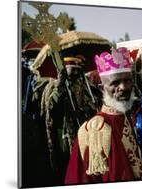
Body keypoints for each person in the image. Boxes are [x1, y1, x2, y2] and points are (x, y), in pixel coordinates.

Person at [65, 47, 142, 184]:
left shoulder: (128, 117)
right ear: (102, 88)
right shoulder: (94, 130)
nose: (123, 87)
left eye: (127, 80)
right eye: (115, 83)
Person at [40, 56, 100, 184]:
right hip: (64, 137)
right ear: (65, 70)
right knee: (67, 169)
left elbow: (94, 106)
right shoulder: (53, 86)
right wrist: (60, 88)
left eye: (78, 70)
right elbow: (50, 109)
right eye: (72, 70)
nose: (76, 74)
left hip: (84, 133)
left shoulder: (85, 86)